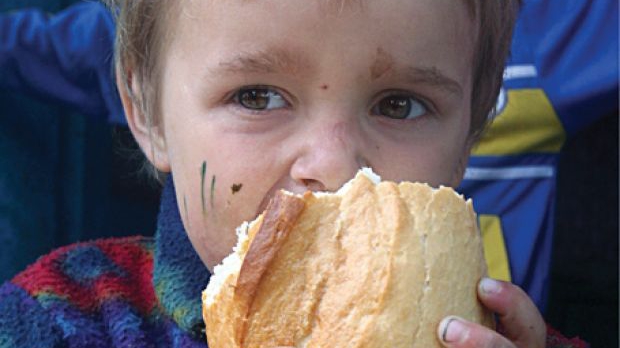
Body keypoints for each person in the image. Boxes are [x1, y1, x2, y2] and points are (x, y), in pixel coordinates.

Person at [0, 0, 588, 347]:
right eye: (257, 96)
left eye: (399, 104)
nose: (334, 167)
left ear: (471, 131)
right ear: (147, 110)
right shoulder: (60, 319)